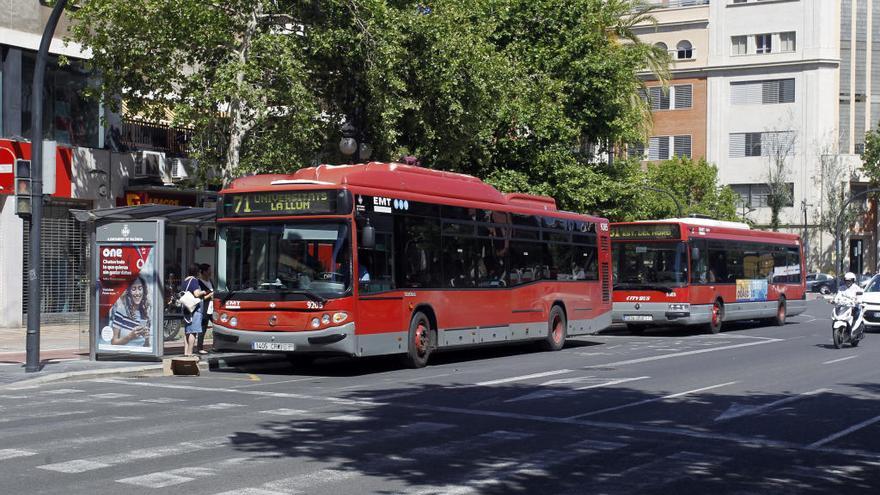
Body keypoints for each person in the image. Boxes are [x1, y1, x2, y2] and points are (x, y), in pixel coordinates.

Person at [110, 276, 151, 347]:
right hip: (124, 355)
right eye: (133, 289)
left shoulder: (145, 314)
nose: (137, 293)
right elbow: (113, 342)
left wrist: (147, 339)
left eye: (140, 289)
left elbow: (146, 346)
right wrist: (130, 336)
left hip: (141, 356)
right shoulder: (121, 311)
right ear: (128, 292)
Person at [180, 264, 208, 358]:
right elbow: (196, 294)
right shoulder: (194, 281)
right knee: (193, 331)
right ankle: (190, 352)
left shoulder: (185, 280)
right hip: (194, 309)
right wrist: (203, 292)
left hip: (186, 308)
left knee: (187, 331)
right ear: (197, 272)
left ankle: (185, 352)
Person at [196, 263, 214, 355]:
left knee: (217, 326)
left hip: (212, 307)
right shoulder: (198, 283)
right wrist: (210, 295)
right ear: (204, 272)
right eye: (209, 270)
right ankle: (199, 348)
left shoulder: (210, 281)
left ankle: (217, 345)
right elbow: (199, 298)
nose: (211, 272)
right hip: (204, 307)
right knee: (203, 327)